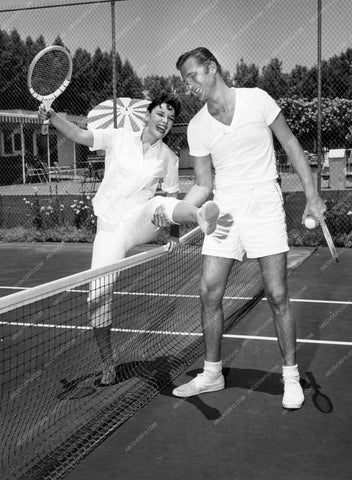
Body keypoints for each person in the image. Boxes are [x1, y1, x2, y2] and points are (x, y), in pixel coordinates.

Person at [168, 47, 326, 409]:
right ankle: (211, 374)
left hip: (264, 202)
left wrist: (311, 194)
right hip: (224, 206)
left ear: (212, 69)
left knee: (277, 294)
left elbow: (289, 142)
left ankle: (290, 378)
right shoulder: (197, 126)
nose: (188, 86)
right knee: (209, 291)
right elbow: (204, 183)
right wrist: (177, 210)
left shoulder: (257, 99)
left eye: (192, 76)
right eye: (183, 81)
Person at [38, 92, 220, 385]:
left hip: (142, 219)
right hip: (110, 227)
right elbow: (81, 135)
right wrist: (52, 115)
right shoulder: (118, 137)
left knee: (160, 204)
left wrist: (173, 234)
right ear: (148, 114)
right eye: (161, 114)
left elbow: (172, 195)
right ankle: (108, 363)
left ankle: (198, 216)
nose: (165, 121)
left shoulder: (168, 158)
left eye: (171, 119)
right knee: (97, 296)